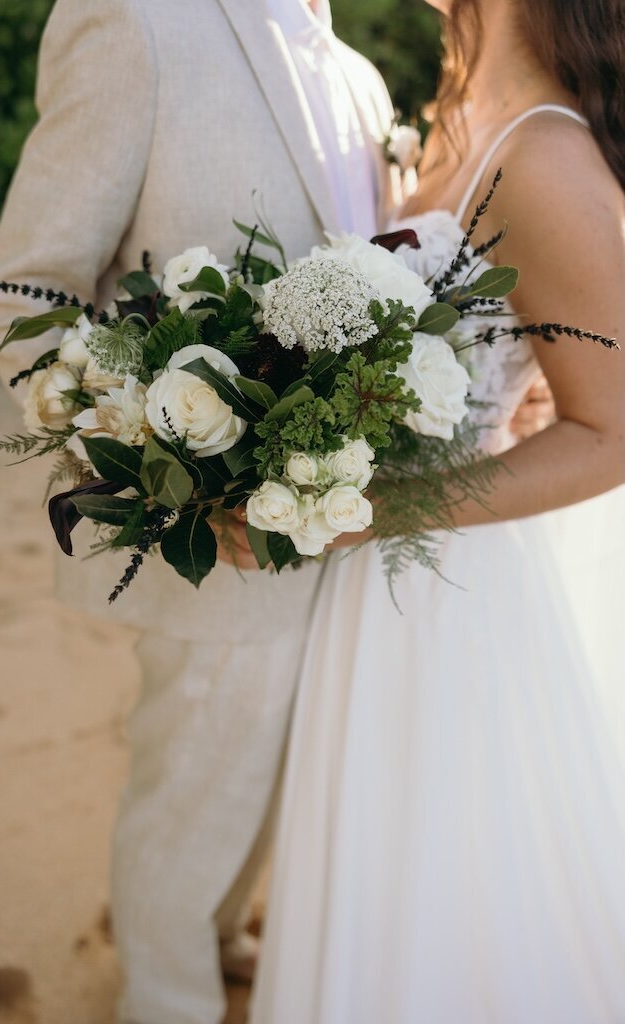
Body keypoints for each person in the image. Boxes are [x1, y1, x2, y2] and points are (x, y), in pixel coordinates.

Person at [0, 2, 397, 1022]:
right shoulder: (136, 23)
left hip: (342, 523)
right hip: (211, 535)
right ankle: (167, 997)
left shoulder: (359, 78)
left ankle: (217, 933)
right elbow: (25, 294)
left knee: (272, 768)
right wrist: (166, 470)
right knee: (195, 793)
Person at [250, 1, 625, 1022]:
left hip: (453, 593)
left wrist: (374, 509)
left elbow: (609, 432)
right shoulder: (453, 114)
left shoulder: (543, 155)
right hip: (374, 579)